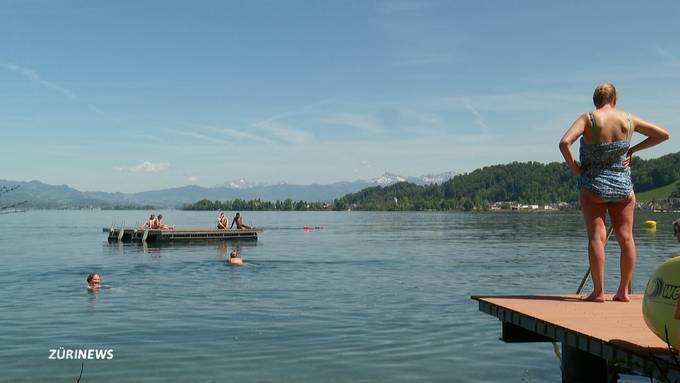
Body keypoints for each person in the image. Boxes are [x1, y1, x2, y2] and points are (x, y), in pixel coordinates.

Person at [559, 83, 669, 302]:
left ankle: (599, 292)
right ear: (615, 98)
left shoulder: (588, 119)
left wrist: (575, 168)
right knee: (626, 238)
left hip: (593, 185)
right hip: (622, 185)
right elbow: (663, 135)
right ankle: (623, 292)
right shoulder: (628, 119)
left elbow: (564, 143)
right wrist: (633, 149)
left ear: (595, 99)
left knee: (596, 237)